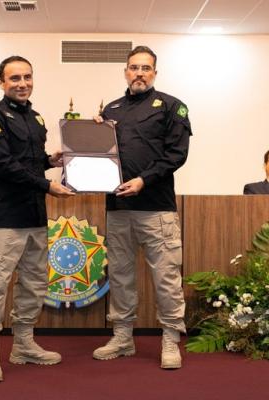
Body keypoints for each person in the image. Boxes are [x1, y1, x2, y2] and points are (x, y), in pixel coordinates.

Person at [0, 55, 74, 382]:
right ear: (1, 82)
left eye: (27, 77)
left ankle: (23, 345)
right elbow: (3, 165)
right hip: (4, 218)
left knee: (34, 284)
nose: (22, 83)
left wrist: (49, 159)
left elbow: (27, 164)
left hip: (34, 217)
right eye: (14, 78)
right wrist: (46, 184)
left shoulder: (37, 118)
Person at [93, 46, 191, 369]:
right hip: (118, 208)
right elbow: (100, 155)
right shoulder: (112, 109)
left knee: (165, 277)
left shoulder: (172, 107)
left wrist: (143, 180)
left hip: (156, 208)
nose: (139, 73)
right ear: (125, 72)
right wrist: (93, 134)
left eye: (145, 68)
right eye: (134, 67)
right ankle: (123, 338)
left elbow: (176, 155)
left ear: (155, 73)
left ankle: (171, 340)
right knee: (120, 275)